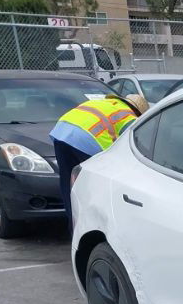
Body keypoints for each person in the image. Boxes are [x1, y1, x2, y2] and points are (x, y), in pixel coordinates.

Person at [49, 94, 146, 228]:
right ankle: (94, 226)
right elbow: (134, 143)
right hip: (85, 140)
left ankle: (73, 225)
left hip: (61, 131)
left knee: (68, 183)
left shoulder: (104, 104)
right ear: (138, 112)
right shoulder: (129, 116)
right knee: (95, 185)